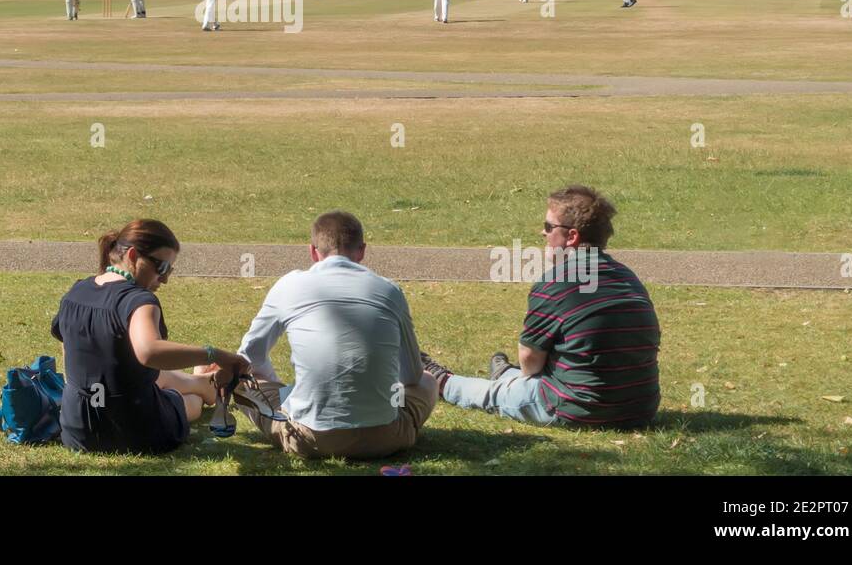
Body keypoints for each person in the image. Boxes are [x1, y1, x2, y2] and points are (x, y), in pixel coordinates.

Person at [423, 186, 660, 429]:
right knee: (527, 380)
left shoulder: (556, 283)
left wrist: (523, 377)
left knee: (497, 394)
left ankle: (441, 380)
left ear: (572, 237)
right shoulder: (627, 277)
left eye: (548, 227)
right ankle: (504, 374)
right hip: (641, 407)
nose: (542, 232)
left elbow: (530, 363)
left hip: (579, 409)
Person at [232, 211, 438, 459]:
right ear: (361, 251)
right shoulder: (389, 290)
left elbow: (248, 358)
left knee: (241, 380)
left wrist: (278, 389)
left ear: (313, 251)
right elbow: (412, 375)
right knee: (428, 381)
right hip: (386, 437)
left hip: (309, 438)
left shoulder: (289, 285)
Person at [51, 219, 246, 454]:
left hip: (78, 430)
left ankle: (201, 382)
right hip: (137, 433)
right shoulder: (139, 301)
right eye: (161, 268)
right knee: (181, 400)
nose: (165, 279)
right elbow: (150, 352)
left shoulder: (77, 291)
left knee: (147, 375)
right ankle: (205, 390)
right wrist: (215, 354)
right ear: (133, 255)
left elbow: (69, 352)